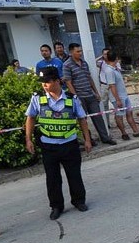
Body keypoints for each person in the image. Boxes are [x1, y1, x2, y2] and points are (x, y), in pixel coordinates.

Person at [25, 67, 93, 220]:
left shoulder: (72, 99)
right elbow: (30, 118)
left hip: (69, 144)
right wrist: (28, 139)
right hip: (48, 146)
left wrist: (87, 139)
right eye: (42, 83)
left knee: (74, 175)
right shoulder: (37, 98)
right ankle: (56, 206)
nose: (44, 85)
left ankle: (79, 201)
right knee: (52, 178)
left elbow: (82, 119)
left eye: (47, 82)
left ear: (57, 81)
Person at [63, 42, 117, 146]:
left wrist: (96, 92)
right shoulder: (67, 65)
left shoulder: (84, 63)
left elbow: (89, 77)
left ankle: (105, 137)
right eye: (77, 51)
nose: (80, 53)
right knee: (83, 120)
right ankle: (89, 139)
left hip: (90, 95)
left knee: (98, 117)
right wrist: (75, 97)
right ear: (71, 52)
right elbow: (68, 82)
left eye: (81, 51)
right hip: (79, 96)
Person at [102, 51, 139, 140]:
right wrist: (117, 99)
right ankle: (124, 133)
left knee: (129, 113)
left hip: (124, 95)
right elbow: (112, 86)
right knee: (119, 115)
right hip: (118, 97)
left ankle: (136, 131)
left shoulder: (115, 69)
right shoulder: (109, 71)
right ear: (116, 59)